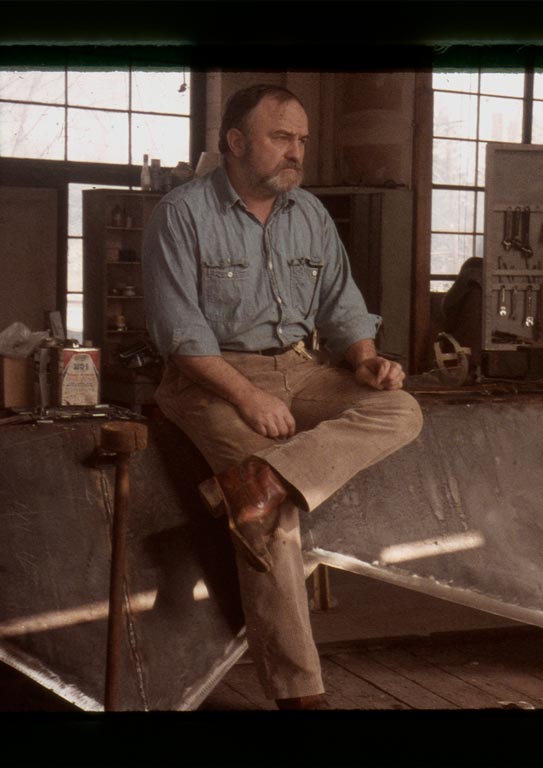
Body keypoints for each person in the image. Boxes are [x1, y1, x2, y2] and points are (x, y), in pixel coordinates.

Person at [142, 83, 423, 709]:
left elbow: (343, 307)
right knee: (272, 524)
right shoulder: (182, 214)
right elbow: (181, 336)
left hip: (303, 368)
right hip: (208, 378)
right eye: (281, 137)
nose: (295, 152)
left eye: (300, 139)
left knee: (400, 409)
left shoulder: (310, 214)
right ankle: (302, 697)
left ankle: (261, 480)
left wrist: (367, 360)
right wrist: (246, 397)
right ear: (237, 142)